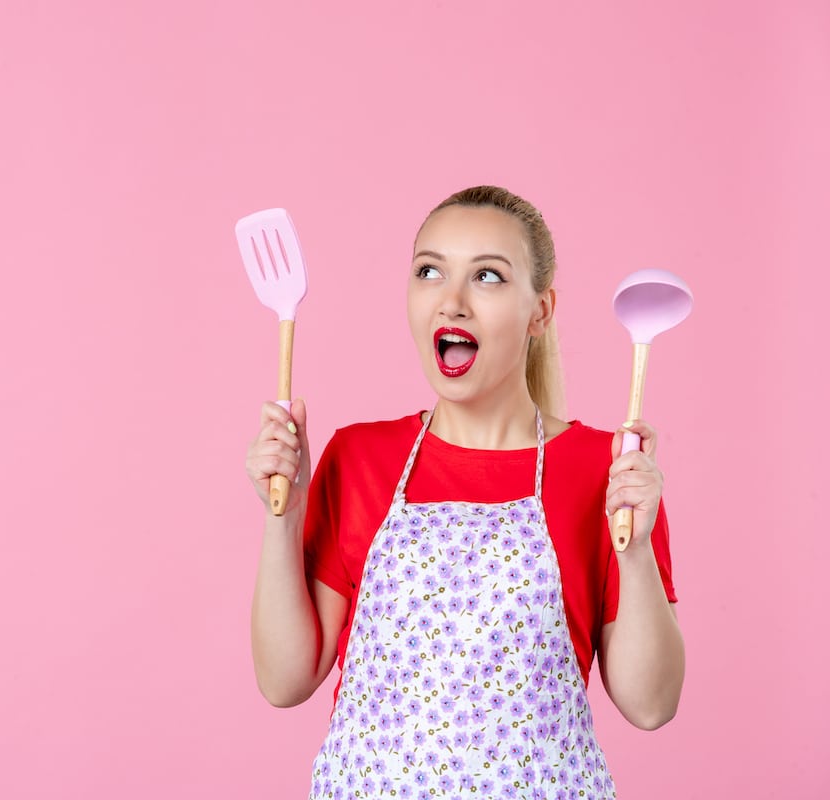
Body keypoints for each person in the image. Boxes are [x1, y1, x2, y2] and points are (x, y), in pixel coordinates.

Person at [245, 186, 684, 799]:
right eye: (430, 271)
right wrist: (284, 518)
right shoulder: (358, 458)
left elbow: (651, 704)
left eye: (487, 277)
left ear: (541, 311)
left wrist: (635, 555)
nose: (450, 303)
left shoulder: (607, 472)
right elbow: (284, 681)